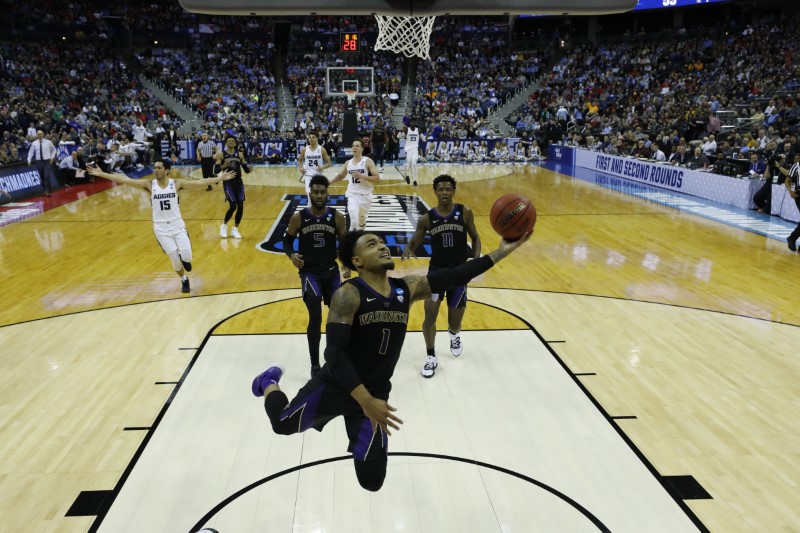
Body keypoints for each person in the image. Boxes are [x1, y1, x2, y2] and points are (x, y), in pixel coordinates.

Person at [251, 228, 532, 491]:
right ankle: (268, 382)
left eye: (382, 242)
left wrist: (502, 250)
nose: (383, 246)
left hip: (374, 392)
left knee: (372, 480)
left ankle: (358, 432)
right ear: (356, 260)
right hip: (337, 386)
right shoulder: (348, 295)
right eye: (372, 244)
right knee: (281, 423)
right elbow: (333, 355)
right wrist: (366, 402)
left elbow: (456, 274)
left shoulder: (407, 289)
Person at [86, 160, 234, 293]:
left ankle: (185, 258)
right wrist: (102, 174)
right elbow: (125, 179)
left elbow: (200, 182)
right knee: (174, 259)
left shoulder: (176, 184)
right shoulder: (149, 185)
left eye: (159, 167)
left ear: (166, 170)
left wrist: (220, 178)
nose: (155, 170)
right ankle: (184, 280)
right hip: (161, 228)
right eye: (154, 167)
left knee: (187, 256)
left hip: (177, 225)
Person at [401, 174, 481, 377]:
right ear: (435, 191)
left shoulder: (464, 212)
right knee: (430, 315)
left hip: (459, 273)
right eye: (441, 189)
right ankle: (430, 356)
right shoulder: (427, 218)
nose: (445, 192)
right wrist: (409, 248)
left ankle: (454, 334)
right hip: (436, 273)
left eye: (448, 189)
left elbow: (476, 238)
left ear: (454, 191)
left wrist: (476, 260)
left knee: (455, 322)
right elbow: (414, 241)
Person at [283, 174, 350, 377]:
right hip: (309, 273)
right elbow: (287, 241)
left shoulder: (337, 216)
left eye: (323, 192)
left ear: (328, 193)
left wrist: (345, 264)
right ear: (310, 193)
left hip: (330, 271)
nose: (319, 195)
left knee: (338, 317)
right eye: (316, 192)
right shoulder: (299, 217)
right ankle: (315, 365)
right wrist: (292, 255)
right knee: (315, 316)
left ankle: (336, 358)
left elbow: (345, 244)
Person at [329, 139, 380, 231]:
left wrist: (363, 177)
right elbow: (341, 175)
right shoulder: (348, 163)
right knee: (354, 221)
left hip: (366, 195)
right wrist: (329, 182)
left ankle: (360, 231)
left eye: (357, 146)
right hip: (352, 194)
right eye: (353, 146)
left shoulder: (368, 161)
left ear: (362, 148)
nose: (354, 148)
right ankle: (349, 241)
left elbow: (377, 179)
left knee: (361, 221)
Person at [214, 136, 251, 239]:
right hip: (228, 182)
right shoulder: (221, 154)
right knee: (233, 206)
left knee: (241, 206)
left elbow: (246, 169)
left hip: (239, 183)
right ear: (226, 143)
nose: (231, 142)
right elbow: (216, 170)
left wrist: (249, 169)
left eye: (233, 141)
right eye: (229, 140)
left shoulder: (240, 154)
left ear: (235, 143)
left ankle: (235, 229)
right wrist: (223, 165)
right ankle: (224, 225)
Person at [297, 131, 331, 201]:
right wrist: (300, 168)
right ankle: (311, 210)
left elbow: (328, 163)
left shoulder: (322, 149)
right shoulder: (304, 149)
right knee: (310, 195)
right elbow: (300, 160)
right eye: (309, 137)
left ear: (317, 138)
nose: (311, 139)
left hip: (318, 176)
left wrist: (322, 167)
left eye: (313, 137)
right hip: (308, 175)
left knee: (319, 196)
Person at [27, 130, 57, 196]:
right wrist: (29, 160)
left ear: (43, 134)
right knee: (42, 176)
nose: (40, 135)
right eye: (38, 134)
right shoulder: (34, 143)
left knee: (47, 176)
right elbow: (31, 152)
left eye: (41, 134)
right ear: (37, 135)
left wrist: (52, 157)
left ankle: (47, 191)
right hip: (38, 162)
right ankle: (44, 190)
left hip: (47, 161)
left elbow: (54, 149)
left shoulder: (48, 142)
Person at [784, 153, 800, 251]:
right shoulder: (796, 166)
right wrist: (790, 191)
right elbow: (787, 181)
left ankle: (792, 238)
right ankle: (792, 238)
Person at [403, 120, 424, 186]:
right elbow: (398, 136)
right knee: (409, 163)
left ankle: (415, 180)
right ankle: (407, 175)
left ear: (415, 123)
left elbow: (424, 139)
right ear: (410, 123)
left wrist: (426, 136)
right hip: (408, 149)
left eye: (414, 122)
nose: (412, 123)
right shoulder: (407, 130)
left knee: (414, 164)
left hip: (415, 149)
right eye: (411, 122)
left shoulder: (418, 130)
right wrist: (402, 132)